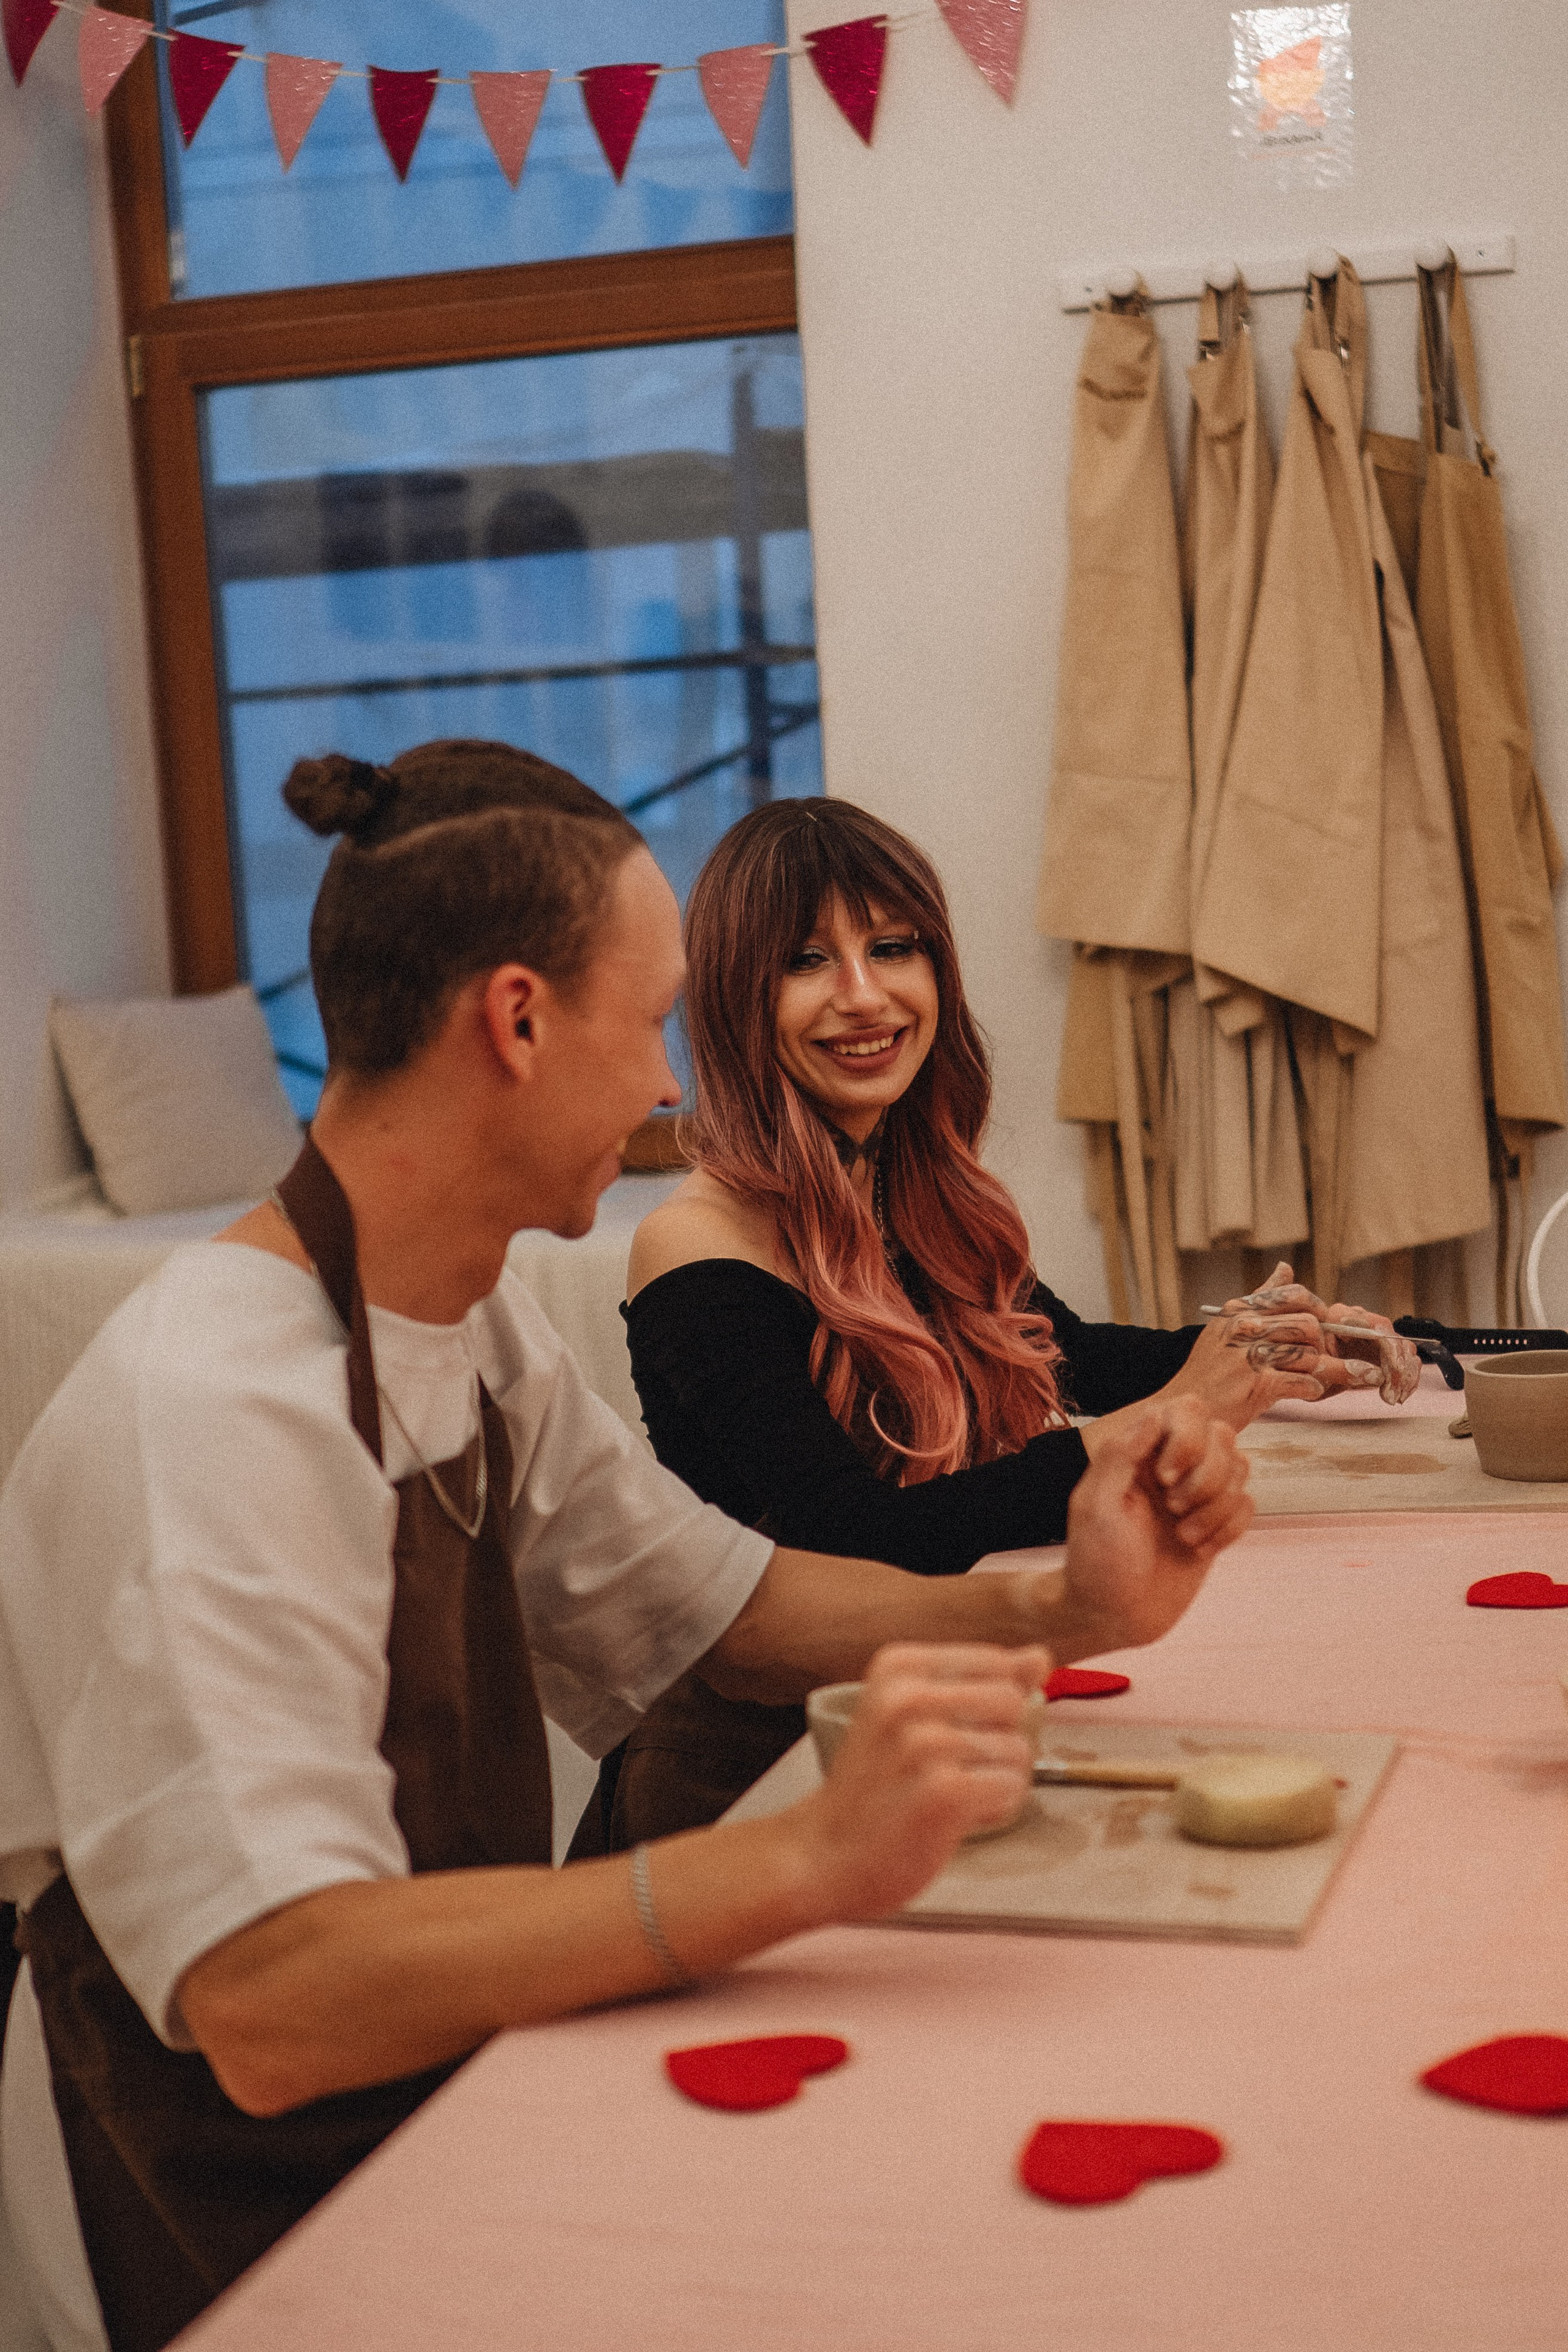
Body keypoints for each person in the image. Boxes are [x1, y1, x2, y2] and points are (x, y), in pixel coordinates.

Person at [0, 741, 1251, 2352]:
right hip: (234, 2191)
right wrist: (796, 1862)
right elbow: (276, 1999)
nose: (675, 1084)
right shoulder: (216, 1408)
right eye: (652, 1018)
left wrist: (1062, 1602)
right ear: (516, 1023)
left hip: (443, 2077)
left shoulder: (473, 1328)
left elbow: (728, 1610)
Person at [612, 797, 1416, 1838]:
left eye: (892, 948)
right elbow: (851, 1539)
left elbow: (1062, 1355)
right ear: (734, 998)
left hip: (933, 1717)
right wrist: (1172, 1416)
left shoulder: (912, 1188)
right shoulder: (695, 1246)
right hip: (758, 1771)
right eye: (807, 962)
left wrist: (1264, 1348)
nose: (864, 997)